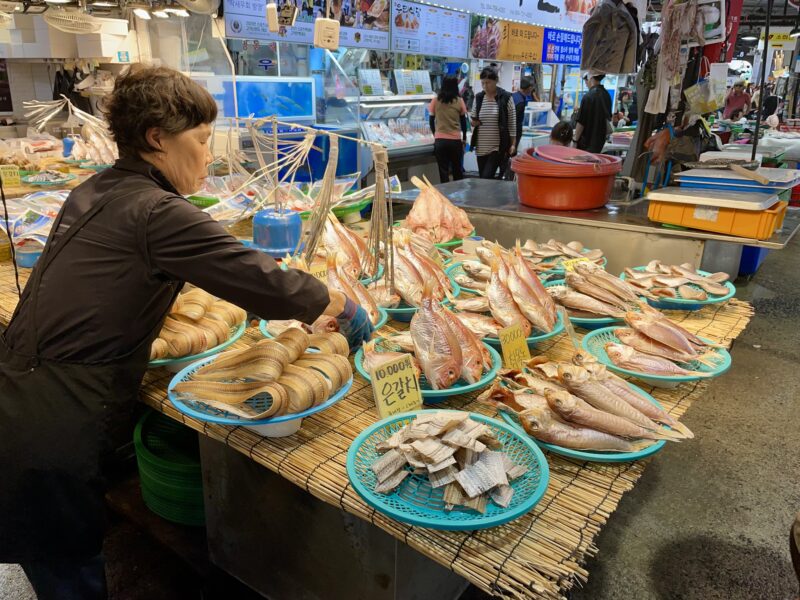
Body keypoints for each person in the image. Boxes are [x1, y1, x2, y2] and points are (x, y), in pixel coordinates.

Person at [0, 65, 373, 600]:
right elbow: (256, 274)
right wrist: (340, 305)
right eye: (201, 140)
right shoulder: (156, 210)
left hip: (18, 392)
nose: (208, 155)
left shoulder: (97, 188)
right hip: (56, 423)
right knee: (68, 568)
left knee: (56, 556)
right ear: (158, 139)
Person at [470, 67, 516, 179]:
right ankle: (487, 197)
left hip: (497, 147)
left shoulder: (506, 98)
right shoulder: (479, 98)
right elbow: (473, 120)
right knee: (483, 179)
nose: (485, 86)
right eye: (483, 83)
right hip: (481, 147)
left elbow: (512, 123)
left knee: (486, 177)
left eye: (488, 83)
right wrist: (474, 123)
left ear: (495, 81)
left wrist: (513, 144)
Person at [428, 75, 467, 183]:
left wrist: (435, 134)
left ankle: (444, 196)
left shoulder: (435, 101)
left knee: (443, 171)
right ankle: (458, 196)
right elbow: (463, 122)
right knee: (457, 170)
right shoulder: (459, 101)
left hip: (440, 141)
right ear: (455, 86)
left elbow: (431, 120)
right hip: (455, 141)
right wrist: (464, 139)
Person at [573, 73, 611, 153]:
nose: (586, 84)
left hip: (585, 145)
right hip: (600, 144)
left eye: (585, 80)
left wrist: (575, 140)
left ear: (590, 77)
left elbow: (581, 122)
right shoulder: (606, 95)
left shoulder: (588, 96)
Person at [512, 77, 540, 153]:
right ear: (530, 88)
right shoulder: (521, 102)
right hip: (513, 135)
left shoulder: (514, 95)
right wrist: (513, 143)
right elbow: (515, 122)